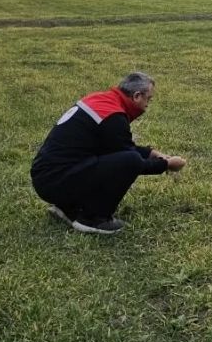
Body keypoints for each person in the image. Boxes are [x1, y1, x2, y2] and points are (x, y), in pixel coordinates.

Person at [30, 71, 186, 234]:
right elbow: (132, 161)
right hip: (55, 181)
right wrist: (166, 164)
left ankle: (69, 207)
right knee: (130, 160)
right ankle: (93, 218)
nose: (148, 104)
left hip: (48, 177)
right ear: (137, 96)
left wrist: (152, 153)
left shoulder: (102, 101)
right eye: (149, 99)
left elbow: (117, 145)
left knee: (125, 157)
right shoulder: (114, 117)